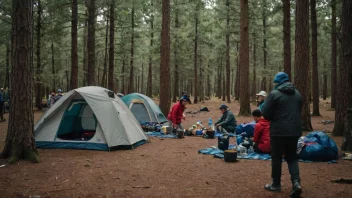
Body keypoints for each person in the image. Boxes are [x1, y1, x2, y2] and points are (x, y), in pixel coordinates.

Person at [262, 72, 302, 197]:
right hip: (294, 131)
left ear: (277, 82)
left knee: (276, 157)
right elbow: (298, 110)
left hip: (278, 132)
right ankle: (296, 183)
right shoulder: (297, 94)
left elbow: (266, 114)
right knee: (292, 157)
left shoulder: (274, 94)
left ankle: (276, 184)